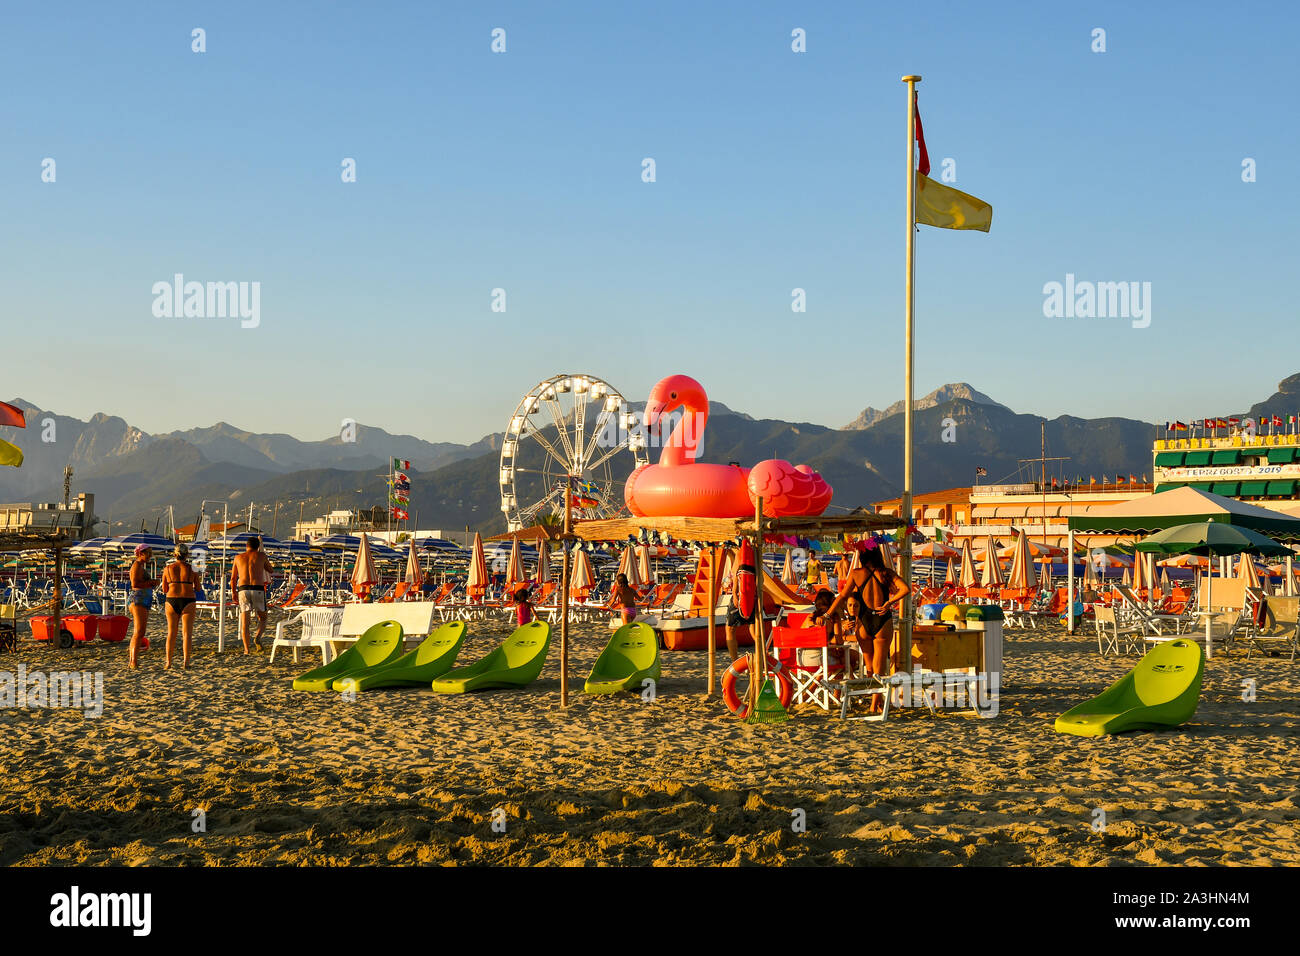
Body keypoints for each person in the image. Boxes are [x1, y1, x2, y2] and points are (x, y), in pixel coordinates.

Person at [826, 546, 910, 714]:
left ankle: (876, 703)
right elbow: (906, 589)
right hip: (882, 620)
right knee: (880, 668)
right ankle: (875, 704)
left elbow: (842, 596)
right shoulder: (886, 573)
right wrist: (889, 603)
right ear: (879, 556)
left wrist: (828, 613)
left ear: (863, 558)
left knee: (870, 668)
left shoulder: (857, 573)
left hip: (863, 622)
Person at [231, 535, 274, 653]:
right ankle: (257, 637)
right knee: (263, 618)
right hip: (258, 588)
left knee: (245, 622)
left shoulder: (238, 557)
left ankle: (246, 649)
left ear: (246, 546)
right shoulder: (262, 556)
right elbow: (270, 570)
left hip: (243, 589)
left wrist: (233, 593)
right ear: (258, 546)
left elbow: (233, 578)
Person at [160, 543, 199, 669]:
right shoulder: (192, 568)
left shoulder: (168, 569)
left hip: (172, 600)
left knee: (171, 633)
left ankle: (168, 662)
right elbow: (198, 587)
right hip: (188, 600)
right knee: (187, 634)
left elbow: (165, 589)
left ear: (175, 554)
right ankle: (186, 662)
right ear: (187, 555)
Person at [127, 544, 159, 669]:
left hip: (142, 599)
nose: (150, 556)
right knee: (139, 631)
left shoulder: (140, 566)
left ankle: (132, 661)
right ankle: (133, 662)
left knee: (140, 632)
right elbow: (134, 583)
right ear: (141, 554)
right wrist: (151, 582)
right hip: (138, 598)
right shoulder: (136, 566)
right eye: (148, 553)